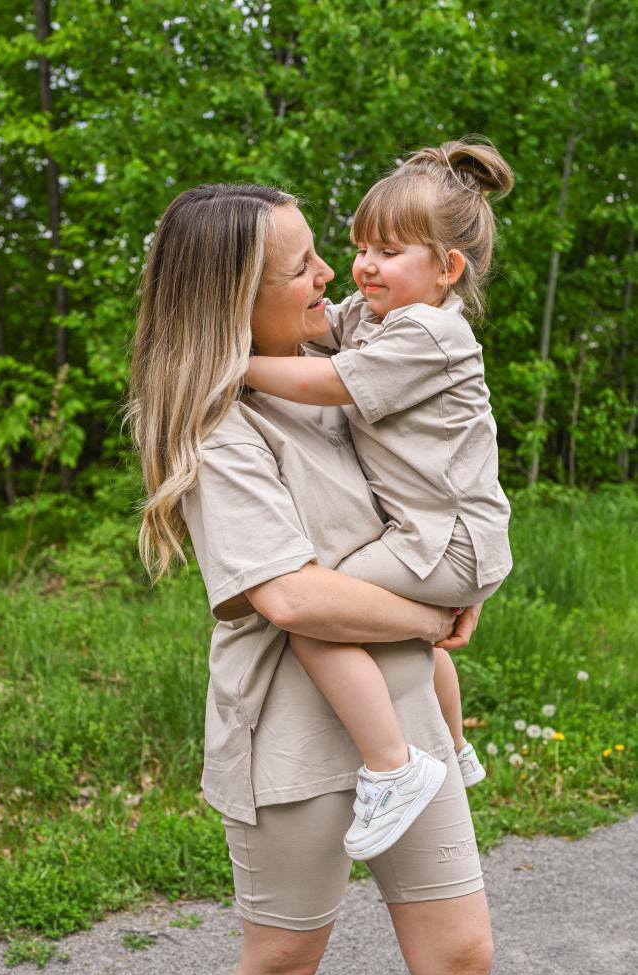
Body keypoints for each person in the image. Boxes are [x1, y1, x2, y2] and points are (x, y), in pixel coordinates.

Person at [129, 182, 495, 975]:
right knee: (283, 971)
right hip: (290, 728)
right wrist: (430, 621)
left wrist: (449, 586)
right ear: (236, 298)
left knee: (464, 965)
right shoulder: (214, 420)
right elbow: (289, 595)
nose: (333, 271)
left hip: (402, 716)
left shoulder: (338, 371)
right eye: (302, 266)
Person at [245, 140, 514, 861]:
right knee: (392, 631)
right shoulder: (378, 313)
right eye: (361, 245)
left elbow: (323, 382)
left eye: (388, 251)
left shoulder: (431, 333)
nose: (364, 266)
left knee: (316, 616)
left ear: (446, 269)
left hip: (447, 540)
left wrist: (232, 367)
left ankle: (393, 767)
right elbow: (319, 331)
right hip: (441, 532)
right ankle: (454, 748)